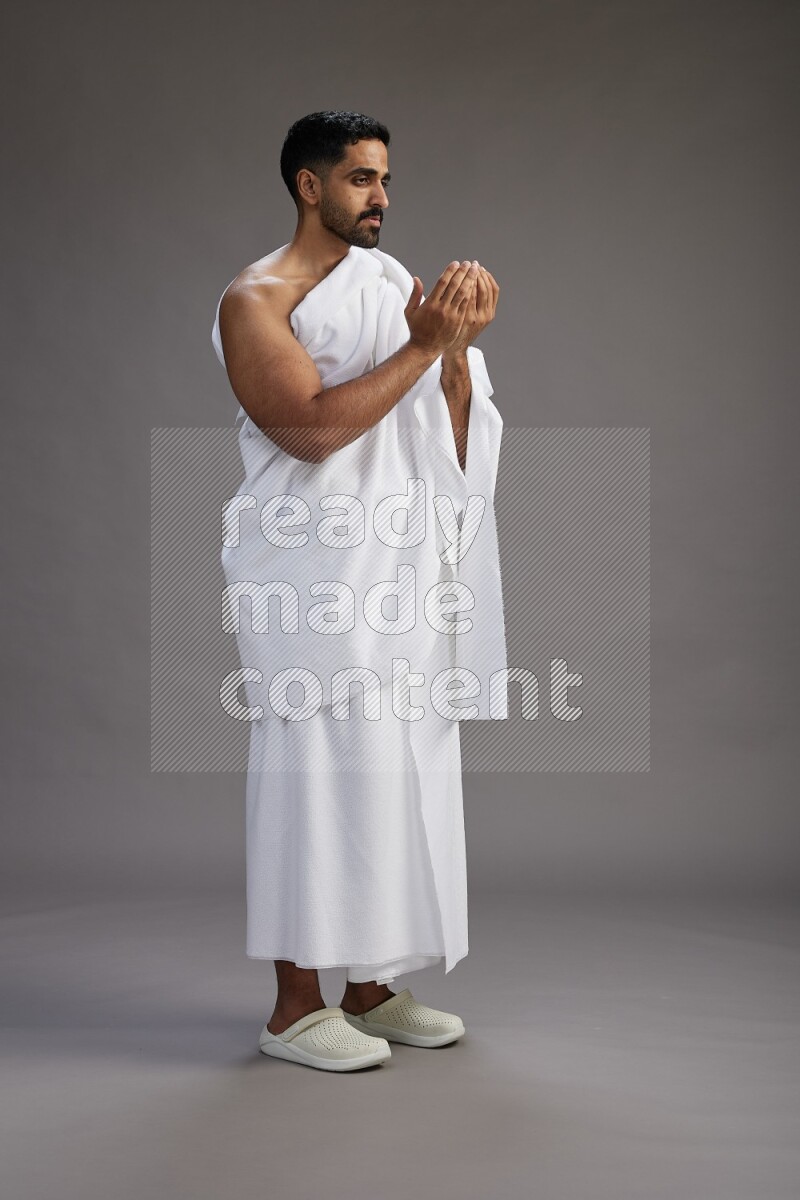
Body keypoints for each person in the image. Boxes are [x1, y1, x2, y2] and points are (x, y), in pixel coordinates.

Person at [212, 111, 505, 1072]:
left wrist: (454, 351)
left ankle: (370, 990)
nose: (381, 197)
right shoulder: (255, 299)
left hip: (400, 574)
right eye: (361, 179)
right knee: (313, 776)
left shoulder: (389, 283)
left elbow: (448, 434)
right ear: (309, 185)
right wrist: (422, 347)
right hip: (310, 578)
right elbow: (306, 431)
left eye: (385, 179)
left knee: (399, 772)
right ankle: (294, 1008)